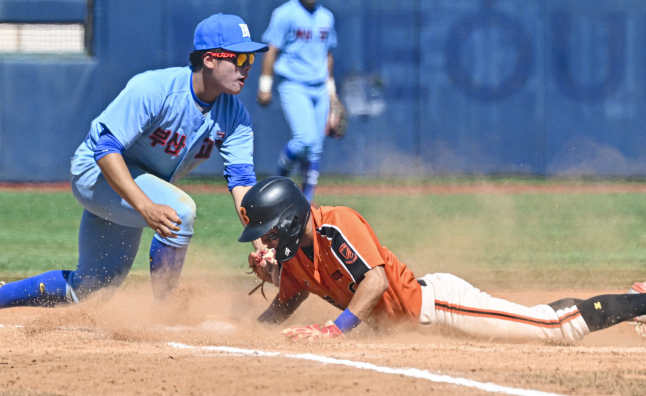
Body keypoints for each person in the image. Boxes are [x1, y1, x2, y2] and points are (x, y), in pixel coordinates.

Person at [0, 13, 269, 327]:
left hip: (137, 183)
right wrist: (145, 206)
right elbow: (105, 148)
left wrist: (261, 244)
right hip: (96, 173)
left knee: (90, 290)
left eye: (251, 61)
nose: (247, 68)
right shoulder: (155, 88)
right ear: (210, 60)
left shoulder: (235, 116)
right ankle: (165, 314)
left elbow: (242, 182)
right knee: (179, 212)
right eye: (240, 59)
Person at [239, 176, 646, 342]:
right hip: (412, 330)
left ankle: (639, 299)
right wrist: (248, 335)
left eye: (270, 231)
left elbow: (375, 281)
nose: (267, 242)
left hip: (439, 307)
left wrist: (336, 330)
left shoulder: (336, 224)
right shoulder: (294, 259)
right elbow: (286, 304)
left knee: (552, 328)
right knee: (535, 318)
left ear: (291, 219)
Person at [257, 0, 340, 202]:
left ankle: (307, 201)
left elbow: (327, 54)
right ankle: (279, 179)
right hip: (293, 84)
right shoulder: (285, 13)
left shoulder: (326, 17)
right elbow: (271, 50)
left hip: (320, 87)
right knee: (304, 140)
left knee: (315, 147)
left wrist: (332, 91)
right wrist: (265, 86)